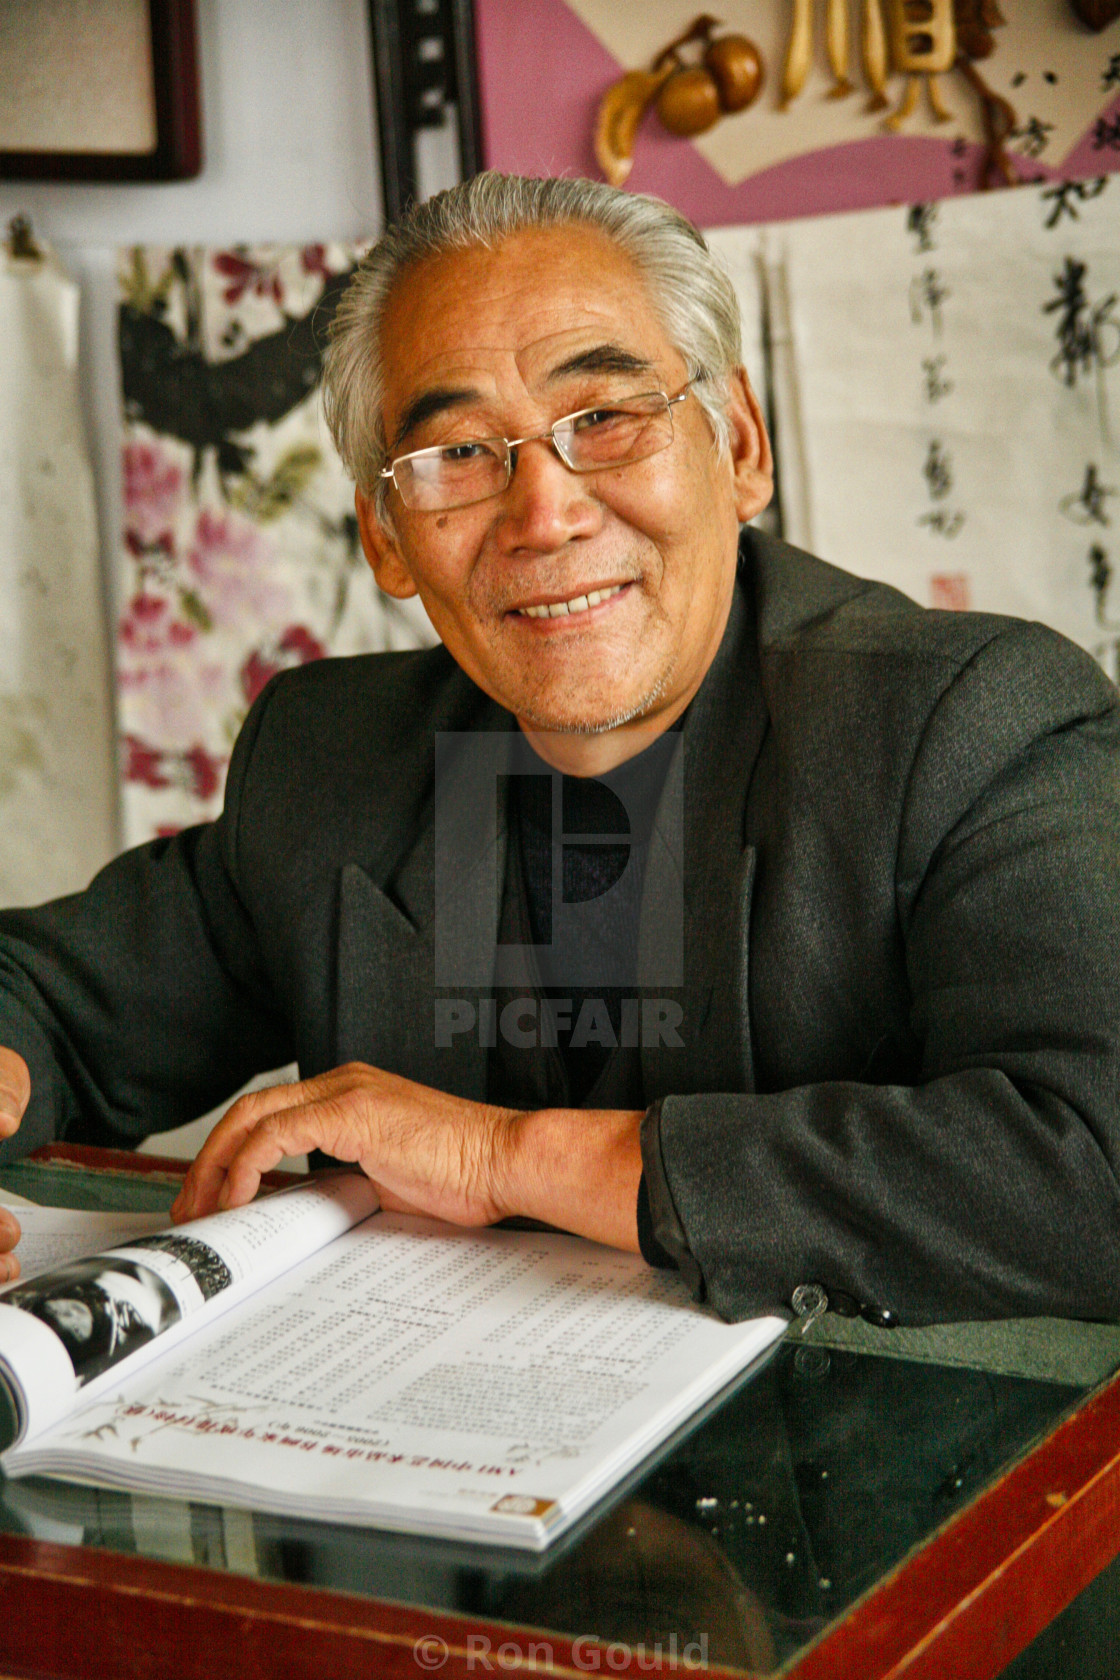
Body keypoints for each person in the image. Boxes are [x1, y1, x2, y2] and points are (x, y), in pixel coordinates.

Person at [0, 172, 1117, 1327]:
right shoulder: (333, 758)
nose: (545, 514)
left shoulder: (971, 723)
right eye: (459, 456)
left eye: (603, 421)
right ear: (386, 536)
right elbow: (50, 1003)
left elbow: (1092, 1170)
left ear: (735, 443)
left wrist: (503, 1158)